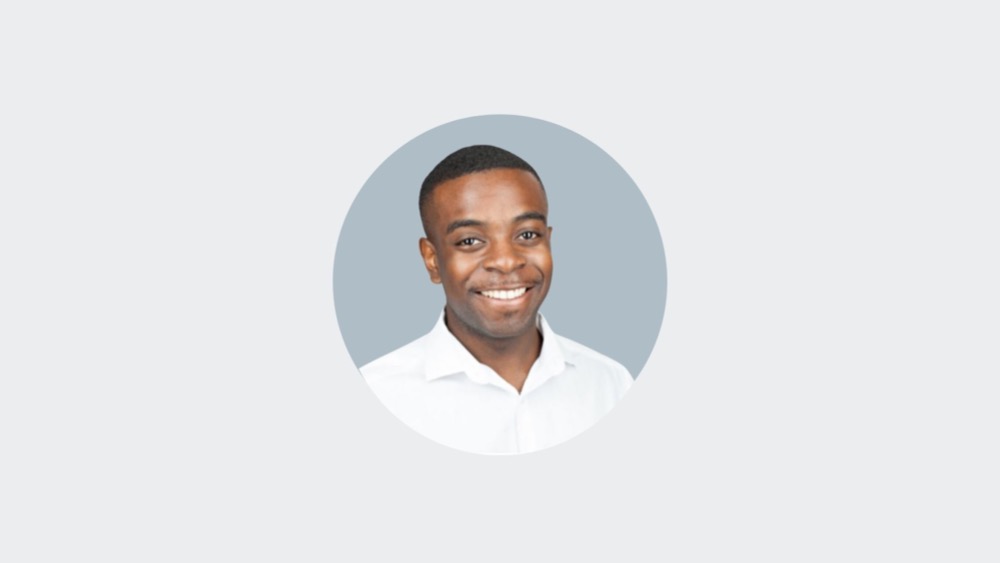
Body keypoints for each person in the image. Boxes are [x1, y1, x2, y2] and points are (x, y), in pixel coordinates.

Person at [360, 144, 632, 454]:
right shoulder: (375, 396)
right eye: (470, 241)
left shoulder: (612, 385)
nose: (506, 261)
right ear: (432, 261)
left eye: (527, 235)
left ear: (549, 241)